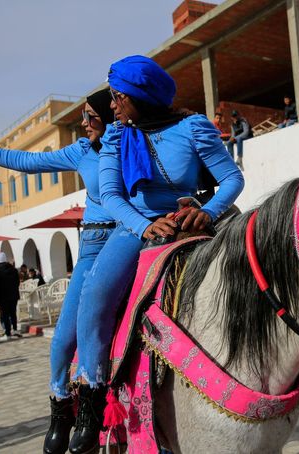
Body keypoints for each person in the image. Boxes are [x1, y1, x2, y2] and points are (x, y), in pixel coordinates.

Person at [0, 89, 116, 454]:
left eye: (90, 116)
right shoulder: (82, 152)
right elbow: (27, 161)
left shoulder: (131, 144)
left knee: (105, 324)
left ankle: (96, 406)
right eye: (82, 116)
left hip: (131, 239)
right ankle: (62, 407)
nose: (83, 124)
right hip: (94, 243)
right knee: (62, 338)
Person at [85, 54, 244, 454]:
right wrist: (143, 226)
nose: (113, 105)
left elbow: (231, 179)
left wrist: (206, 212)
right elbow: (111, 195)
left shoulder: (192, 127)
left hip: (191, 221)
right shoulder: (117, 137)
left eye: (118, 96)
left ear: (140, 96)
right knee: (94, 297)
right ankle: (91, 396)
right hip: (135, 227)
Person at [0, 252, 21, 340]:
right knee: (13, 313)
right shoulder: (13, 269)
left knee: (5, 314)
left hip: (2, 297)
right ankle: (15, 330)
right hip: (13, 295)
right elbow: (17, 282)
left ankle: (8, 333)